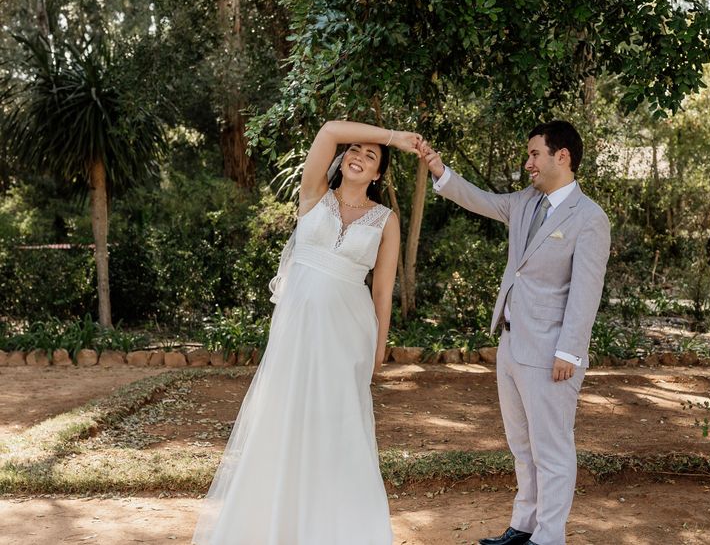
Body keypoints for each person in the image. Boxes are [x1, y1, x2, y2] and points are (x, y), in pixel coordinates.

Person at [191, 120, 421, 545]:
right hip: (297, 333)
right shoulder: (313, 195)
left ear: (377, 175)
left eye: (371, 157)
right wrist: (392, 139)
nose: (359, 157)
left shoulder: (386, 220)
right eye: (355, 150)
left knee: (339, 427)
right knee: (286, 421)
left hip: (348, 335)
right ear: (341, 158)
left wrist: (378, 349)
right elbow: (330, 128)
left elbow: (382, 294)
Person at [419, 120, 610, 545]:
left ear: (563, 156)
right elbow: (480, 200)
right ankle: (523, 527)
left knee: (552, 451)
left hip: (552, 354)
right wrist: (439, 169)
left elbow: (585, 293)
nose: (528, 163)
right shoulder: (525, 202)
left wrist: (570, 353)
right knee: (522, 447)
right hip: (511, 344)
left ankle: (549, 537)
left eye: (534, 154)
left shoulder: (591, 218)